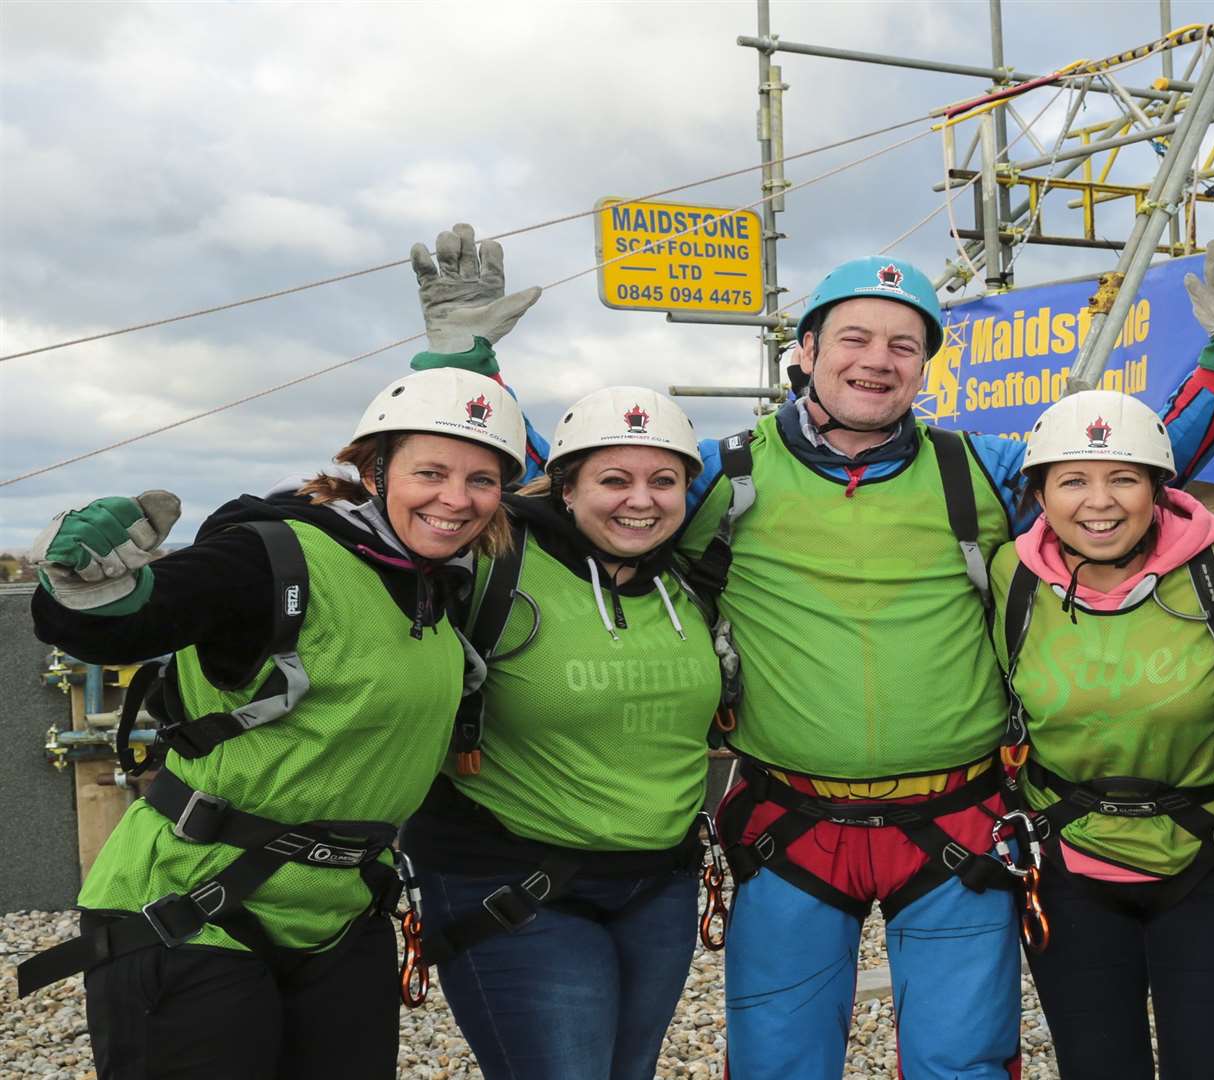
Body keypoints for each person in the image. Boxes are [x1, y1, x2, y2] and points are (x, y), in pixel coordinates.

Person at [681, 233, 1214, 1078]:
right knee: (777, 1064)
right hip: (793, 822)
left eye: (904, 344)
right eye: (854, 338)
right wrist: (462, 372)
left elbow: (1118, 475)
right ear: (807, 349)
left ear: (925, 366)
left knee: (962, 1065)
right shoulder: (722, 478)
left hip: (955, 824)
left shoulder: (977, 470)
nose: (877, 361)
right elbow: (578, 493)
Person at [18, 367, 525, 1080]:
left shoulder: (436, 586)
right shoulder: (276, 557)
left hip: (342, 917)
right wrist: (82, 589)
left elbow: (598, 495)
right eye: (431, 472)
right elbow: (125, 624)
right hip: (192, 908)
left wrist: (463, 354)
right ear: (375, 472)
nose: (455, 498)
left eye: (482, 480)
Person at [399, 386, 721, 1080]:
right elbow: (403, 507)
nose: (641, 499)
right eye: (614, 480)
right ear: (566, 489)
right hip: (512, 879)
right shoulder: (492, 560)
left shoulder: (691, 579)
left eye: (663, 481)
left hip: (658, 884)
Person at [991, 388, 1214, 1079]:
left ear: (1157, 489)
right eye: (1073, 481)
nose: (1099, 501)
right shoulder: (1011, 577)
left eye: (1124, 478)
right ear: (1041, 494)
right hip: (1068, 862)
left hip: (1212, 863)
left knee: (1211, 1066)